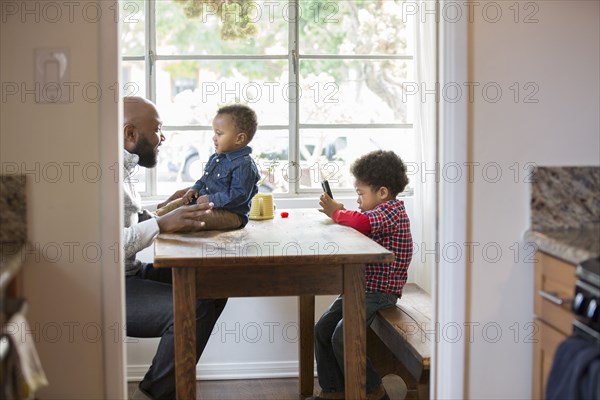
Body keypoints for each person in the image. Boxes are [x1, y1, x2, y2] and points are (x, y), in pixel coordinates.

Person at [122, 97, 228, 400]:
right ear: (130, 134)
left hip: (130, 273)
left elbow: (131, 220)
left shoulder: (123, 169)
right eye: (157, 130)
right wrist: (163, 224)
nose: (162, 138)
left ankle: (160, 388)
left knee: (213, 284)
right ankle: (156, 394)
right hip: (108, 285)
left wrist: (171, 208)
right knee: (191, 309)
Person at [312, 150, 413, 400]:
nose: (358, 200)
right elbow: (360, 223)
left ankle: (373, 389)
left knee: (343, 336)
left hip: (380, 293)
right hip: (360, 288)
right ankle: (333, 390)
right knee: (322, 329)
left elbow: (361, 223)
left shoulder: (392, 212)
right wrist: (342, 216)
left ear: (382, 192)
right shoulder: (377, 214)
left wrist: (337, 212)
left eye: (360, 194)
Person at [156, 104, 260, 230]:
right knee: (176, 204)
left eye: (219, 134)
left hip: (231, 214)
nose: (213, 138)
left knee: (191, 218)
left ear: (239, 138)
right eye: (214, 133)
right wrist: (195, 189)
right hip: (205, 203)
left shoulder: (245, 165)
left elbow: (238, 195)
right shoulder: (216, 157)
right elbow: (205, 179)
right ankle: (150, 220)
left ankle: (159, 226)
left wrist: (211, 199)